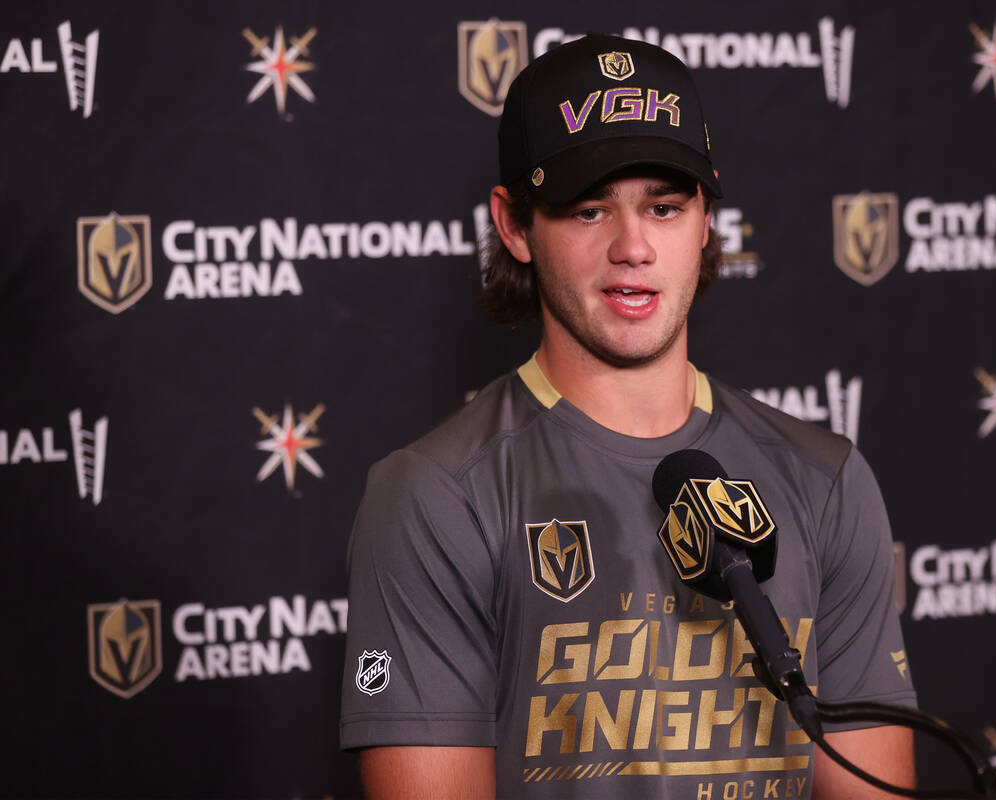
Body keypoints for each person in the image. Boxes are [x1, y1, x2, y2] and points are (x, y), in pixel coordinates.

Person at [340, 34, 917, 799]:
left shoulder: (827, 481)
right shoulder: (433, 497)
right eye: (588, 211)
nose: (634, 246)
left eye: (665, 207)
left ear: (706, 220)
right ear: (514, 226)